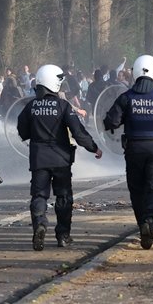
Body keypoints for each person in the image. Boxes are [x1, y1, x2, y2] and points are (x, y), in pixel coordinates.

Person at [102, 55, 153, 249]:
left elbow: (111, 122)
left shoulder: (126, 97)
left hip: (133, 149)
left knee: (137, 189)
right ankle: (149, 221)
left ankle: (142, 224)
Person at [17, 64, 102, 250]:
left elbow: (22, 131)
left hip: (39, 159)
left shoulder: (31, 106)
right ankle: (63, 236)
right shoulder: (63, 106)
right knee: (63, 197)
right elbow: (78, 132)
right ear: (54, 83)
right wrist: (94, 148)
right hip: (61, 159)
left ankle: (39, 224)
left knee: (39, 195)